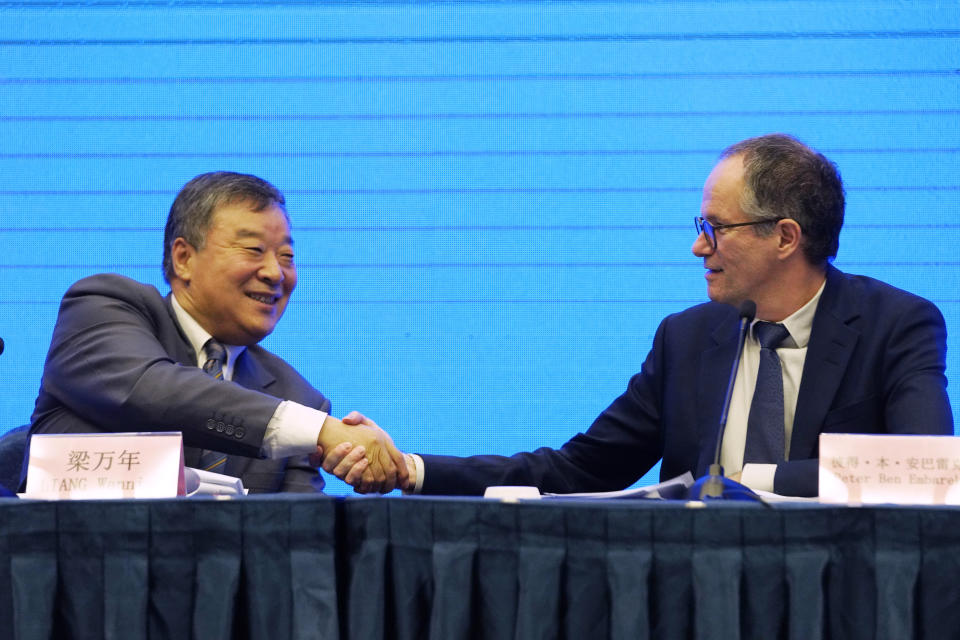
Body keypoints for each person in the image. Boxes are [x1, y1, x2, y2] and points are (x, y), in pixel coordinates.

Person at [327, 133, 953, 497]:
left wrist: (744, 484)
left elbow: (923, 467)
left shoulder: (894, 325)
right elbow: (579, 469)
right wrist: (412, 468)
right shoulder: (687, 338)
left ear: (785, 236)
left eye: (715, 228)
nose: (698, 247)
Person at [23, 171, 405, 493]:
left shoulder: (299, 398)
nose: (275, 273)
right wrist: (321, 431)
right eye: (254, 250)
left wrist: (363, 464)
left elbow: (301, 538)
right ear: (183, 258)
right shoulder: (101, 307)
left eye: (286, 256)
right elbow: (151, 390)